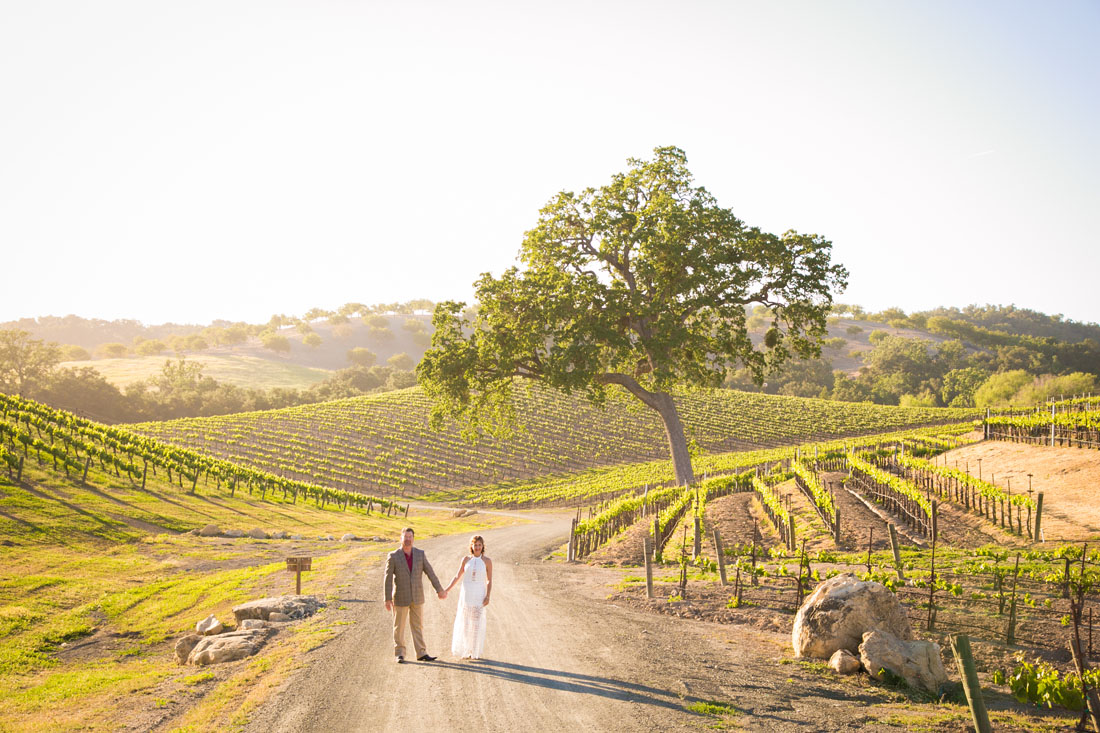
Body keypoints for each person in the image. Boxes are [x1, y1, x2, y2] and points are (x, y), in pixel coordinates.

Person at [384, 527, 446, 663]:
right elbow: (388, 578)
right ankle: (399, 653)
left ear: (413, 538)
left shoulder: (420, 554)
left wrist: (439, 589)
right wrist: (387, 598)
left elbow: (430, 572)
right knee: (399, 627)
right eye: (405, 537)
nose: (407, 539)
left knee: (417, 626)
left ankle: (421, 653)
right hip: (400, 597)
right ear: (401, 538)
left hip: (417, 596)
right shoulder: (393, 556)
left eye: (410, 537)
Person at [444, 534, 493, 660]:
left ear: (482, 547)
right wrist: (447, 590)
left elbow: (489, 580)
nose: (477, 547)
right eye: (475, 545)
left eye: (479, 545)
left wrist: (488, 596)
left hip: (479, 594)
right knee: (465, 622)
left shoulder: (487, 561)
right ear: (471, 546)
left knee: (476, 623)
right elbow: (457, 576)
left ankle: (474, 649)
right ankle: (466, 648)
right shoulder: (466, 560)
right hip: (466, 594)